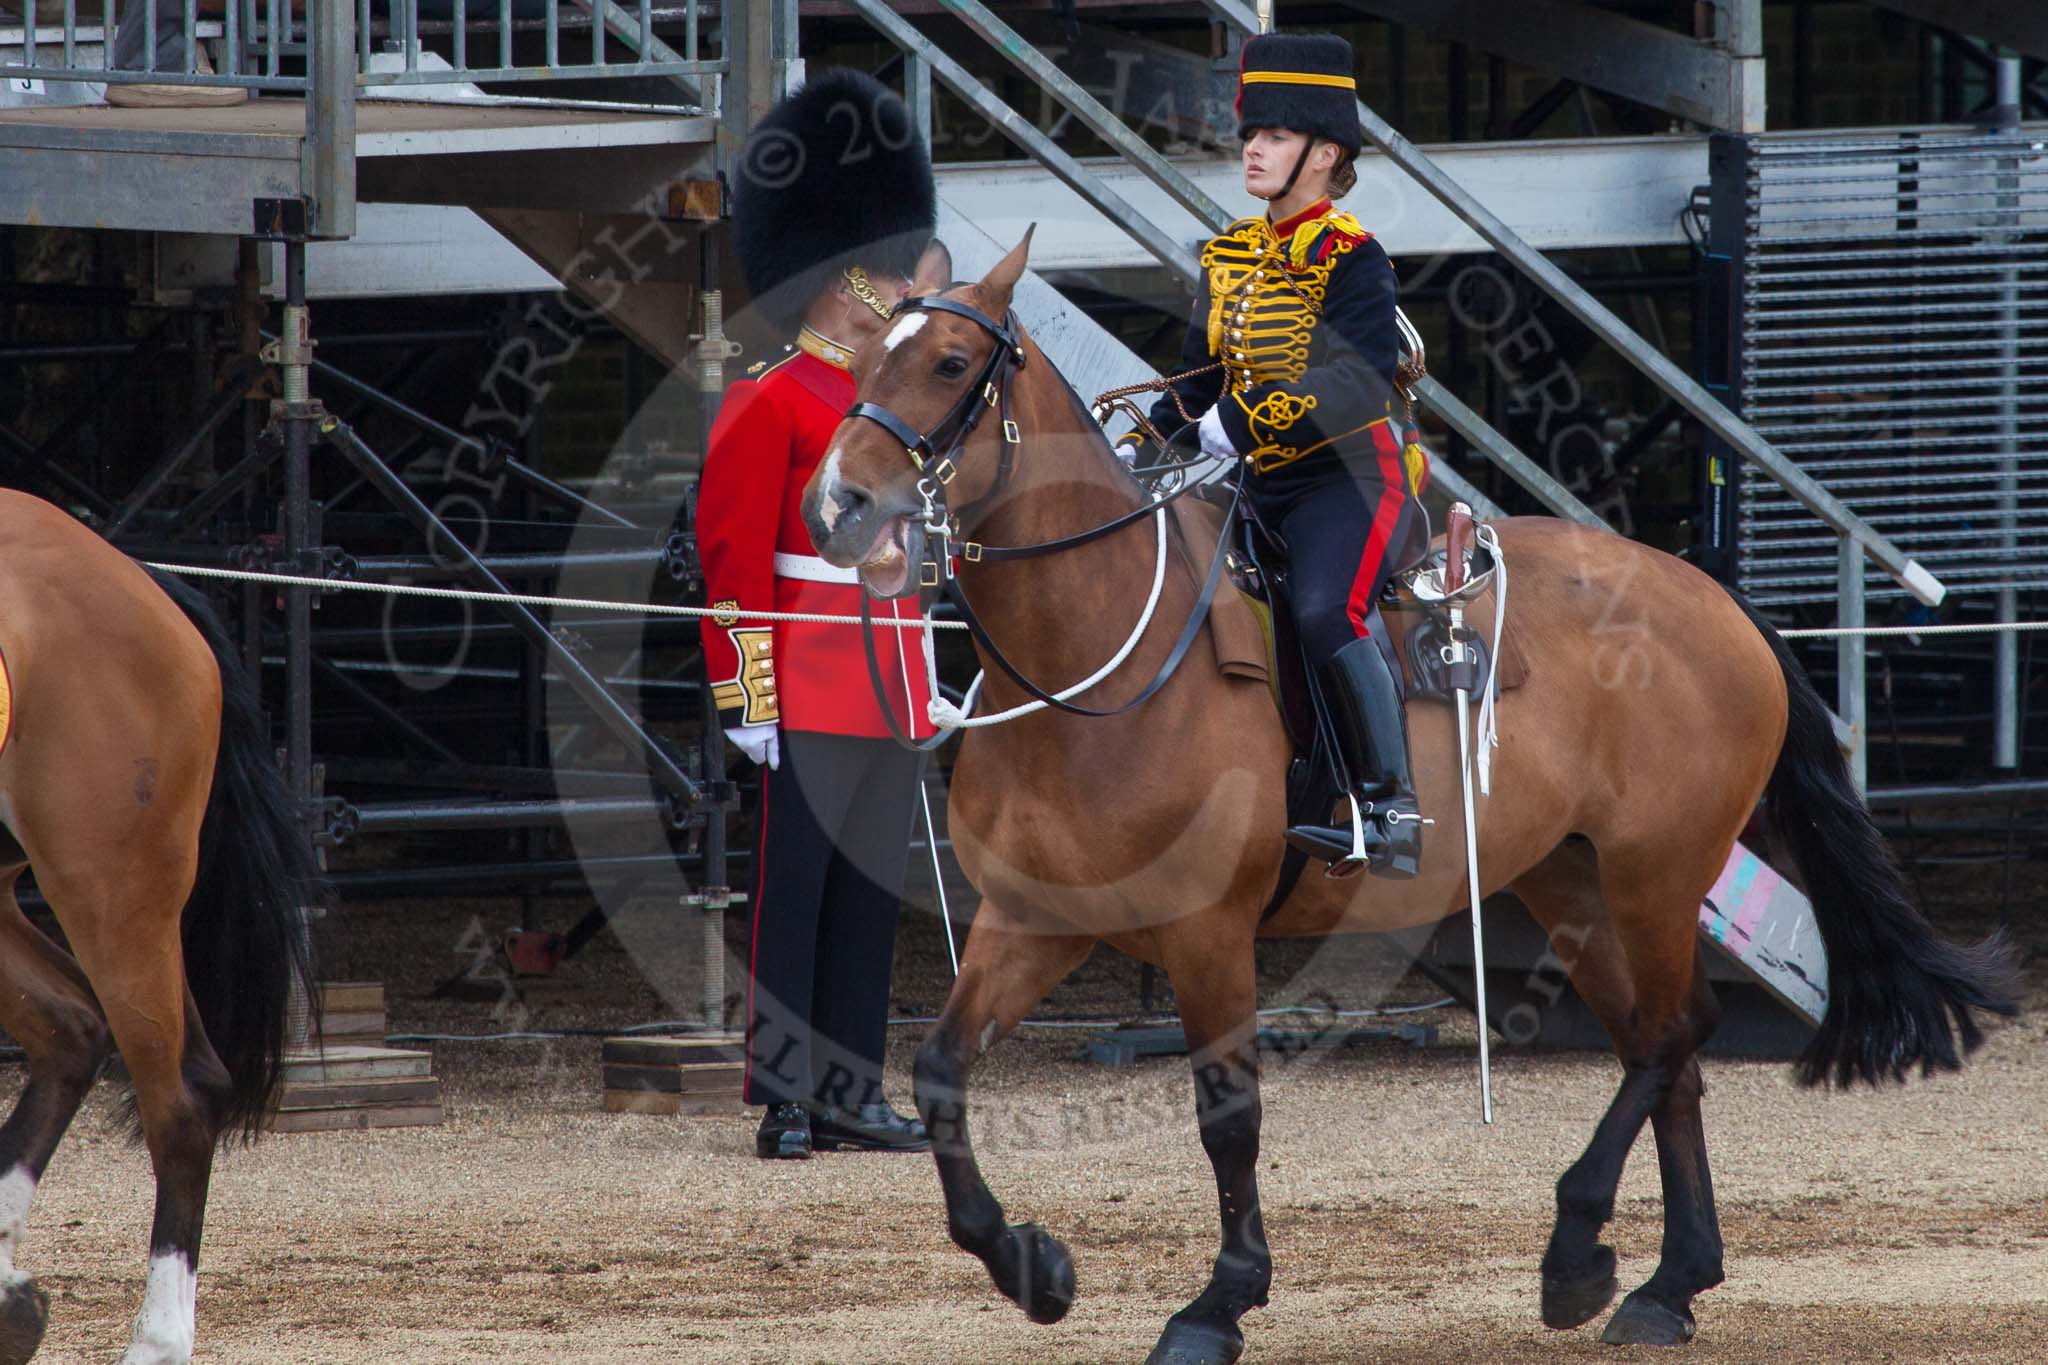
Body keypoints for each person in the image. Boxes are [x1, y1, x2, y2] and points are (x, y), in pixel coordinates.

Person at [698, 68, 940, 1159]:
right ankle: (788, 1092)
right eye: (881, 274)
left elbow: (914, 552)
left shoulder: (890, 410)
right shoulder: (770, 400)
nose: (896, 287)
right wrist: (744, 692)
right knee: (793, 895)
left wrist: (925, 669)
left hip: (887, 675)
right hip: (801, 673)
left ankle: (852, 1087)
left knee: (867, 894)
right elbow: (732, 560)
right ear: (839, 282)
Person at [1123, 32, 1426, 879]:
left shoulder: (1353, 259)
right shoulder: (1230, 256)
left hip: (1349, 478)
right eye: (1254, 133)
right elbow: (1196, 380)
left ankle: (1390, 806)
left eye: (1278, 137)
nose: (1253, 147)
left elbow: (1358, 386)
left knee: (1329, 611)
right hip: (1261, 487)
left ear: (1326, 154)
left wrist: (1242, 426)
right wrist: (1142, 448)